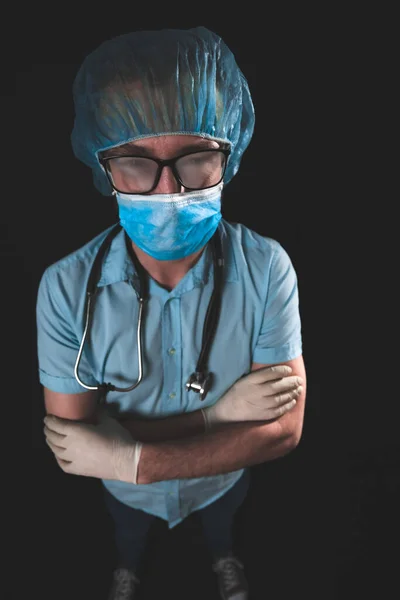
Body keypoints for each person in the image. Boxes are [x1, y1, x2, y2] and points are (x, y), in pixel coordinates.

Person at [38, 26, 307, 600]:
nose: (166, 191)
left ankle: (223, 558)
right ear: (102, 165)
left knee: (223, 526)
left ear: (227, 156)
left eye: (194, 159)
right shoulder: (65, 287)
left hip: (218, 485)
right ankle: (129, 569)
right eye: (135, 163)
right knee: (128, 535)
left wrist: (131, 457)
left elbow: (283, 429)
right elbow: (71, 439)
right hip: (127, 495)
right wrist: (217, 420)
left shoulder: (267, 269)